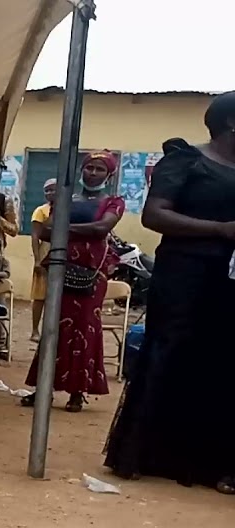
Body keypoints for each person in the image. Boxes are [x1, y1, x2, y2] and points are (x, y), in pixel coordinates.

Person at [105, 95, 235, 493]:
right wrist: (219, 229)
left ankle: (204, 462)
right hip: (184, 272)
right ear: (230, 123)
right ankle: (145, 454)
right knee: (170, 352)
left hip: (228, 279)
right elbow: (154, 214)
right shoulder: (186, 160)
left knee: (218, 364)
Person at [22, 152, 123, 413]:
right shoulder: (67, 198)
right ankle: (42, 388)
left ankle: (78, 392)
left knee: (86, 328)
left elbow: (102, 229)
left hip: (92, 271)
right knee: (53, 326)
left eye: (100, 169)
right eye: (89, 167)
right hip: (60, 267)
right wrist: (81, 229)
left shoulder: (114, 201)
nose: (93, 172)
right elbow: (43, 231)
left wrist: (63, 229)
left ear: (109, 174)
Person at [29, 177, 58, 341]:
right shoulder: (41, 211)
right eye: (47, 190)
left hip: (64, 252)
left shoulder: (69, 209)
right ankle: (35, 330)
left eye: (53, 189)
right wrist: (37, 259)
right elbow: (35, 236)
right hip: (46, 250)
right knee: (40, 295)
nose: (50, 193)